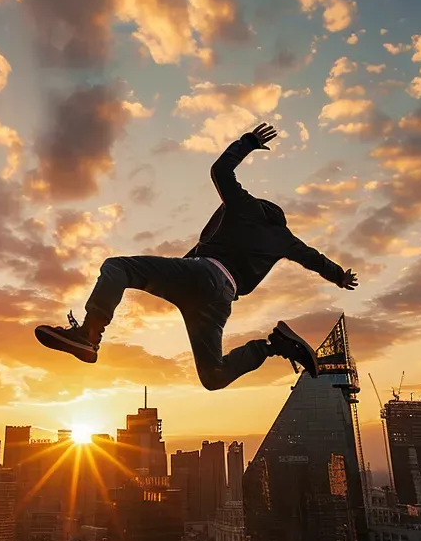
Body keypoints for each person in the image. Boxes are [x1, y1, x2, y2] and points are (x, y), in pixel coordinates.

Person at [35, 122, 359, 389]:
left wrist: (247, 142)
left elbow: (221, 171)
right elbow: (315, 259)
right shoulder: (284, 239)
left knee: (117, 268)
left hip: (205, 275)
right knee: (212, 376)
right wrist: (340, 276)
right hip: (220, 300)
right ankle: (274, 347)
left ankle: (89, 335)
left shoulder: (247, 207)